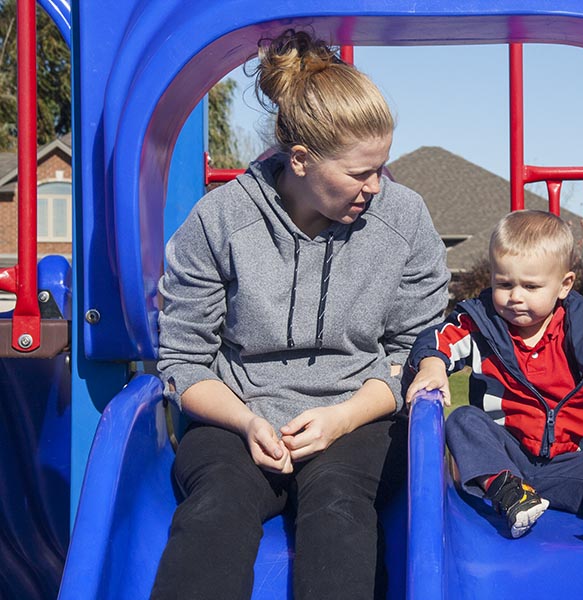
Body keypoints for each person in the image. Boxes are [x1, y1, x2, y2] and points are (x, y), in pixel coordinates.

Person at [151, 29, 450, 599]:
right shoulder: (222, 221)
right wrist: (244, 420)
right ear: (302, 160)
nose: (375, 187)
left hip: (356, 415)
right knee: (215, 506)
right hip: (239, 415)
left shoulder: (402, 219)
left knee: (340, 509)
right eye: (359, 173)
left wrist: (342, 417)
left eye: (381, 168)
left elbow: (415, 351)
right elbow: (184, 360)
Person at [404, 210, 583, 560]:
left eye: (530, 287)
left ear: (564, 285)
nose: (515, 296)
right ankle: (511, 494)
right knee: (463, 420)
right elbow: (437, 339)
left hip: (571, 464)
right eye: (504, 284)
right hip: (506, 458)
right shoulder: (481, 323)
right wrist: (433, 365)